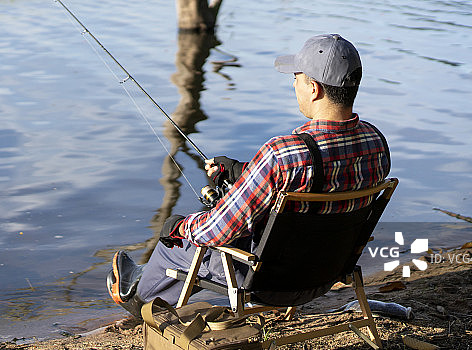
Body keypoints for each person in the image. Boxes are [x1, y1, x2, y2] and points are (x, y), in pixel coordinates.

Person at [107, 34, 391, 318]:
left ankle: (138, 298)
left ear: (314, 88)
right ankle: (150, 279)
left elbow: (215, 231)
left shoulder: (280, 154)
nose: (294, 84)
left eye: (297, 77)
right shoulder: (376, 143)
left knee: (179, 242)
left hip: (270, 282)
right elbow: (328, 177)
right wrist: (244, 173)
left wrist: (180, 227)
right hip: (325, 275)